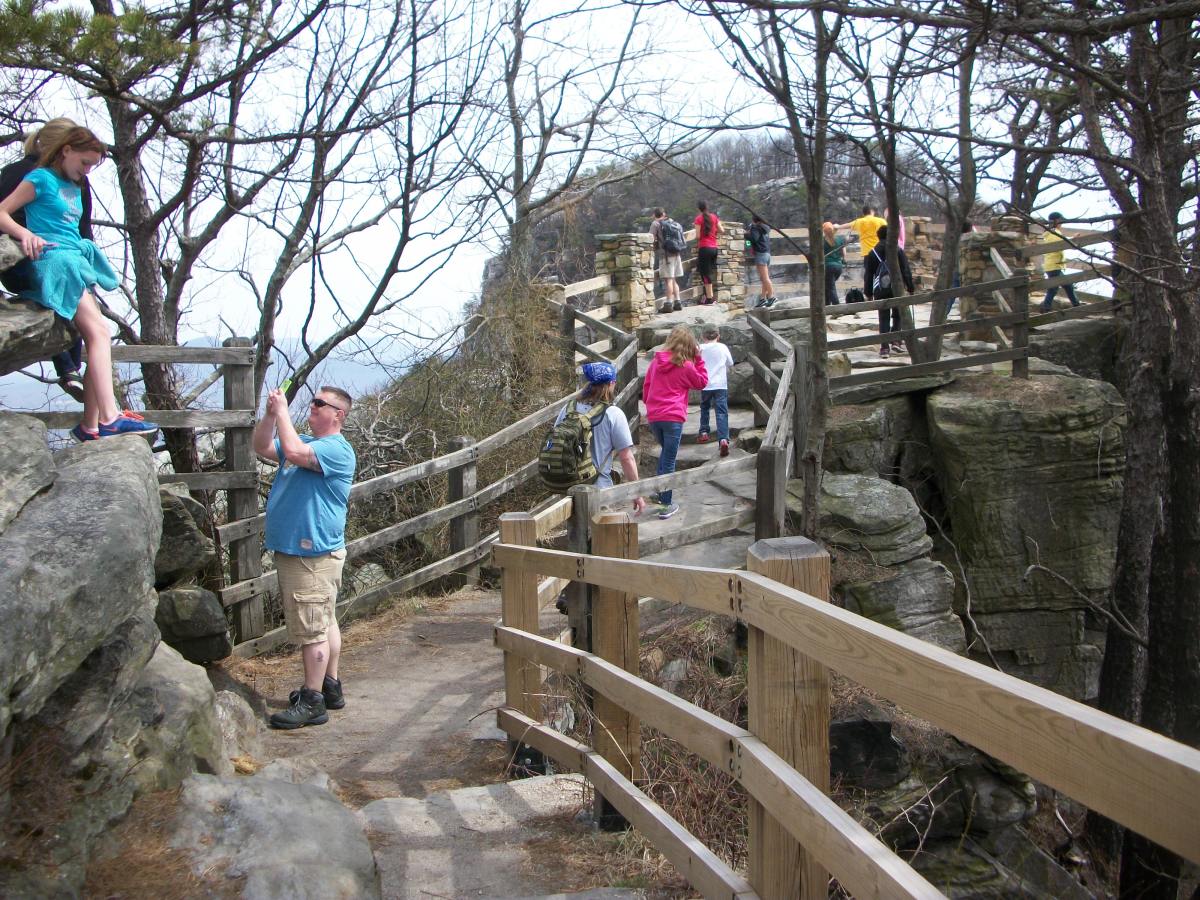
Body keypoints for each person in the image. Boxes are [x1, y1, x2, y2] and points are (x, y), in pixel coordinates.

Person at [0, 125, 158, 442]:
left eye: (92, 166)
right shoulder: (39, 179)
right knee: (99, 332)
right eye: (84, 163)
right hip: (54, 262)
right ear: (66, 150)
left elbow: (78, 228)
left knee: (96, 334)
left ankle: (90, 425)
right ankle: (109, 418)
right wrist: (25, 234)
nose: (86, 171)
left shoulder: (76, 184)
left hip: (74, 260)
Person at [253, 385, 357, 729]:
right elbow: (264, 446)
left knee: (312, 627)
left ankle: (312, 700)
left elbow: (294, 453)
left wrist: (282, 411)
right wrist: (270, 415)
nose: (311, 407)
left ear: (337, 415)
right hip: (305, 552)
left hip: (310, 554)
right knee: (324, 620)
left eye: (319, 403)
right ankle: (330, 686)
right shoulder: (309, 443)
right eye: (311, 401)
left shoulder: (336, 449)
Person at [0, 117, 90, 402]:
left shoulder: (12, 171)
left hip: (21, 264)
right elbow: (83, 231)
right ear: (64, 149)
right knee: (64, 287)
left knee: (65, 286)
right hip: (27, 259)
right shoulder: (36, 176)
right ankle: (70, 370)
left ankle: (71, 371)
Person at [554, 361, 646, 514]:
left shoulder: (568, 408)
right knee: (602, 536)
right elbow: (626, 458)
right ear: (611, 383)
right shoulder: (613, 414)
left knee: (578, 536)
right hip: (599, 490)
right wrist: (636, 492)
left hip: (570, 490)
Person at [643, 325, 708, 520]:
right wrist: (698, 358)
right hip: (673, 417)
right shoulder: (686, 365)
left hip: (655, 416)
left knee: (665, 454)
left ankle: (660, 492)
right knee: (670, 459)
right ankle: (666, 504)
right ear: (689, 345)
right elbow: (702, 382)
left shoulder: (655, 362)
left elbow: (646, 387)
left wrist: (650, 406)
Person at [865, 224, 915, 358]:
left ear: (878, 236)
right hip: (896, 288)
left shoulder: (873, 252)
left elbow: (869, 275)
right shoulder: (897, 250)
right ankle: (896, 341)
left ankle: (884, 348)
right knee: (898, 315)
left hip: (880, 289)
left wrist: (868, 293)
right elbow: (905, 270)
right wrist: (910, 287)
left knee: (883, 318)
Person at [697, 326, 734, 456]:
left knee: (705, 408)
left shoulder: (700, 348)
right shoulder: (723, 347)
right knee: (722, 412)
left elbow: (695, 362)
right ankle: (723, 439)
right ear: (718, 336)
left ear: (703, 337)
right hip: (720, 385)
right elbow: (730, 363)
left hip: (705, 384)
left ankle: (704, 432)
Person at [835, 205, 887, 296]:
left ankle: (869, 295)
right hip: (881, 251)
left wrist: (837, 226)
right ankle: (883, 291)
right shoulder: (881, 221)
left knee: (869, 275)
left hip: (868, 253)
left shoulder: (860, 222)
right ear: (871, 211)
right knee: (883, 272)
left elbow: (848, 225)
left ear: (863, 213)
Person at [1040, 212, 1080, 312]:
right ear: (1056, 221)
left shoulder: (1051, 232)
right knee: (1057, 288)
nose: (1062, 222)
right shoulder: (1055, 233)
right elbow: (1062, 244)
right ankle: (1077, 307)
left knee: (1063, 287)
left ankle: (1046, 308)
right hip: (1054, 266)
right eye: (1060, 220)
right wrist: (1073, 239)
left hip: (1052, 265)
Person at [650, 207, 684, 312]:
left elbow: (650, 237)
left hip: (666, 256)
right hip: (676, 253)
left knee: (668, 279)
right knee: (673, 279)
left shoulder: (655, 224)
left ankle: (669, 303)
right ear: (664, 214)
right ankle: (677, 301)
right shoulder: (671, 221)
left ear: (654, 215)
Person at [693, 200, 723, 305]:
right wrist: (713, 231)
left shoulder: (698, 219)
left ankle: (710, 298)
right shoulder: (714, 217)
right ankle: (708, 296)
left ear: (699, 209)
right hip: (714, 248)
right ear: (707, 207)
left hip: (704, 248)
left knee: (705, 273)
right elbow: (722, 230)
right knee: (709, 272)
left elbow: (697, 236)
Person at [747, 215, 774, 307]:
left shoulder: (755, 228)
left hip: (760, 254)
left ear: (753, 220)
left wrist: (746, 235)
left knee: (765, 278)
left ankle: (771, 297)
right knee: (764, 278)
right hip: (767, 254)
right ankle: (763, 298)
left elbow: (753, 239)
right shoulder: (765, 228)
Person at [822, 221, 847, 306]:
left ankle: (837, 308)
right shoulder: (839, 239)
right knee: (827, 286)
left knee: (831, 287)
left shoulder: (822, 241)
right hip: (838, 267)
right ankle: (827, 306)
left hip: (828, 267)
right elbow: (844, 254)